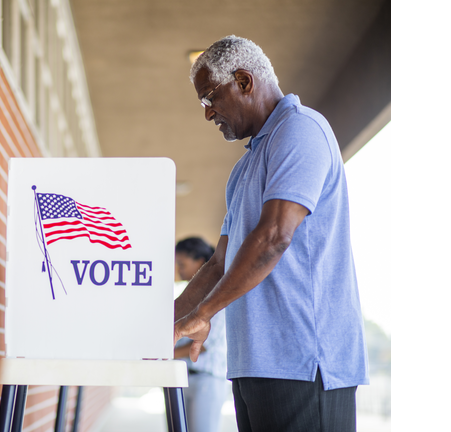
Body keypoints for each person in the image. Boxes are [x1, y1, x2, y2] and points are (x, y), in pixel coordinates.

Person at [173, 35, 368, 432]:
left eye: (210, 98)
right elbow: (217, 265)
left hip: (304, 361)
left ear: (244, 81)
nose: (208, 114)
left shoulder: (300, 130)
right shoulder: (244, 168)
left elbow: (275, 236)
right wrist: (166, 324)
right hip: (255, 363)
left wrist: (203, 314)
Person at [174, 237, 229, 432]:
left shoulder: (216, 295)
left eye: (182, 264)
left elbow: (205, 344)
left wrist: (165, 354)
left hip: (206, 379)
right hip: (183, 378)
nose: (179, 270)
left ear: (199, 262)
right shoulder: (187, 297)